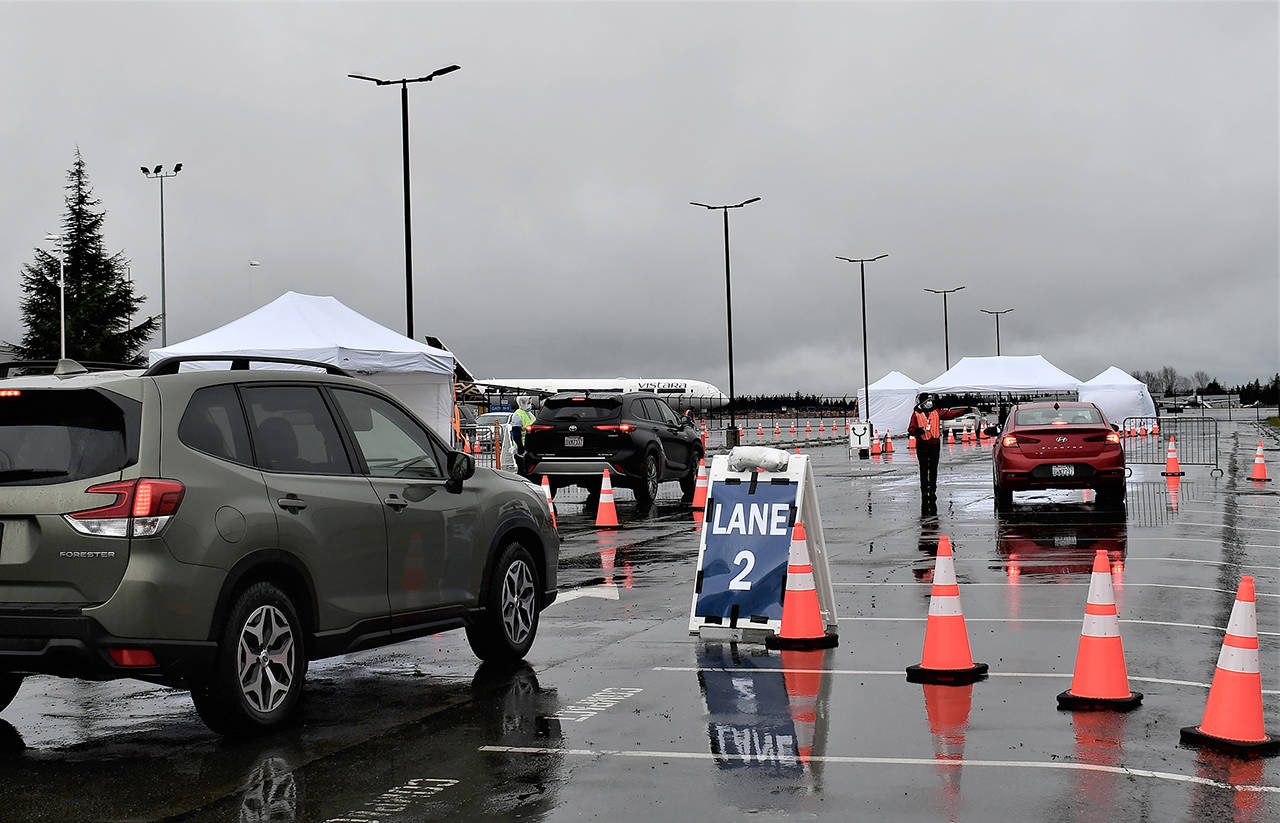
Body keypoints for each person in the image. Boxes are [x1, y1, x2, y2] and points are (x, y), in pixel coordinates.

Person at [907, 392, 970, 514]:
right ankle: (924, 491)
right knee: (924, 469)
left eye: (930, 401)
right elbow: (911, 429)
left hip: (934, 445)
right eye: (927, 401)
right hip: (922, 445)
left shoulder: (936, 412)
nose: (930, 403)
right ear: (922, 403)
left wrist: (963, 411)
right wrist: (917, 431)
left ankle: (932, 490)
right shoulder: (916, 414)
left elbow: (950, 414)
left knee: (933, 469)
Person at [508, 396, 537, 472]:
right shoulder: (517, 415)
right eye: (528, 403)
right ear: (522, 403)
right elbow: (516, 433)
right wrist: (520, 447)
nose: (530, 405)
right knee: (522, 470)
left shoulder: (529, 414)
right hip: (522, 448)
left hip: (530, 446)